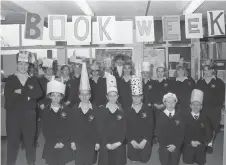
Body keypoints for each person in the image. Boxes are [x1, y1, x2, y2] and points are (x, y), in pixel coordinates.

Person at [4, 51, 42, 165]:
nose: (23, 67)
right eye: (20, 64)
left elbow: (39, 93)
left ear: (28, 66)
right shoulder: (10, 79)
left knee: (30, 142)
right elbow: (9, 98)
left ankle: (31, 163)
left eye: (25, 64)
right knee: (12, 143)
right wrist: (29, 95)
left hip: (29, 116)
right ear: (17, 65)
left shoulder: (33, 79)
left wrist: (22, 92)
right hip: (13, 117)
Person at [70, 62, 100, 165]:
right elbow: (71, 127)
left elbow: (98, 127)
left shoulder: (95, 109)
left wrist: (97, 142)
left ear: (90, 95)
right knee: (79, 161)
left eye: (87, 94)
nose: (84, 97)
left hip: (91, 142)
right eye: (82, 94)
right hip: (78, 142)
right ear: (78, 96)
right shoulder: (74, 109)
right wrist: (72, 141)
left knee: (90, 161)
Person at [42, 77, 73, 165]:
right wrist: (53, 142)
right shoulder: (46, 110)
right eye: (53, 95)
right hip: (51, 143)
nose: (56, 98)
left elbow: (70, 128)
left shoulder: (67, 110)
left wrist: (63, 141)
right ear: (49, 96)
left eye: (58, 95)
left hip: (64, 143)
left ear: (62, 97)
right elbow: (45, 129)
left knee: (62, 162)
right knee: (51, 161)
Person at [196, 59, 225, 153]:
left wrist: (218, 106)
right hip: (202, 109)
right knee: (203, 127)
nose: (206, 72)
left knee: (213, 128)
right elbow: (196, 95)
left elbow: (221, 97)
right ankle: (205, 143)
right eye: (204, 70)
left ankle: (210, 144)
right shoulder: (200, 82)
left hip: (214, 110)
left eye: (208, 70)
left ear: (213, 70)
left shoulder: (219, 82)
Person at [98, 74, 126, 165]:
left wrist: (119, 142)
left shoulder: (121, 110)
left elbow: (124, 128)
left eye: (115, 95)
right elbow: (100, 128)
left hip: (118, 143)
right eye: (110, 96)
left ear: (118, 96)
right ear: (107, 96)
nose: (113, 98)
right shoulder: (102, 110)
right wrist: (106, 143)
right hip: (105, 143)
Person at [126, 76, 154, 163]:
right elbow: (125, 127)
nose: (136, 99)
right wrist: (131, 140)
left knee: (144, 160)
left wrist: (144, 141)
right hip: (132, 139)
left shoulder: (148, 109)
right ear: (131, 97)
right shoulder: (127, 109)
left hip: (144, 139)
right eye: (134, 97)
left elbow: (150, 127)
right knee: (132, 158)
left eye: (138, 97)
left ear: (142, 97)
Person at [183, 89, 213, 165]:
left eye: (198, 104)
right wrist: (190, 141)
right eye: (194, 104)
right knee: (188, 161)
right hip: (188, 145)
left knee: (200, 161)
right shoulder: (185, 118)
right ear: (190, 105)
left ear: (201, 107)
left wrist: (202, 141)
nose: (195, 107)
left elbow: (209, 132)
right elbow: (182, 132)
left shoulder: (205, 118)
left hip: (201, 145)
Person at [155, 93, 186, 165]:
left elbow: (182, 132)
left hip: (176, 144)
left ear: (176, 103)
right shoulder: (160, 115)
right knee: (164, 162)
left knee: (174, 162)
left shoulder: (180, 116)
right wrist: (164, 145)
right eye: (168, 102)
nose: (171, 104)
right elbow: (159, 133)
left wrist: (176, 145)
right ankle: (161, 151)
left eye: (173, 102)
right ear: (164, 103)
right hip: (164, 144)